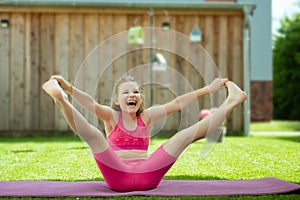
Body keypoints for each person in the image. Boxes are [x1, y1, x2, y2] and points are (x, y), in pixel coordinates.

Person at [42, 75, 247, 192]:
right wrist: (68, 88)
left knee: (183, 136)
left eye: (136, 91)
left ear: (140, 98)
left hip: (147, 175)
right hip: (118, 176)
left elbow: (177, 103)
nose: (132, 95)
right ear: (116, 101)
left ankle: (232, 101)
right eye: (126, 92)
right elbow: (90, 103)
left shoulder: (147, 116)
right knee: (94, 136)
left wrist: (208, 89)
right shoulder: (112, 117)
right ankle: (60, 98)